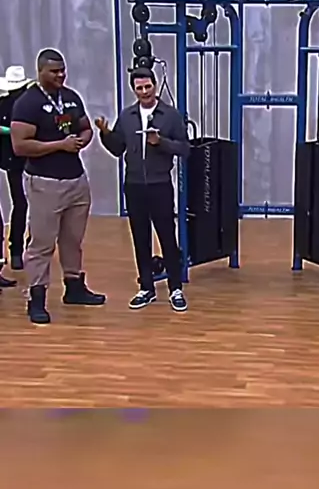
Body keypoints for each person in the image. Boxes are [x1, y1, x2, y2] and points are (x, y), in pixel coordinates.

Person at [10, 49, 105, 325]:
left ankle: (74, 287)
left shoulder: (71, 97)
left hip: (76, 180)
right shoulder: (27, 103)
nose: (61, 75)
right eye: (54, 71)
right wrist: (60, 145)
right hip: (45, 182)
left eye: (63, 70)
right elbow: (20, 146)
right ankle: (36, 297)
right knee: (41, 243)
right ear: (40, 71)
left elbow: (84, 126)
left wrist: (84, 138)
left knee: (72, 239)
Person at [95, 66, 190, 312]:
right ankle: (146, 287)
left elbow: (184, 149)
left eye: (148, 86)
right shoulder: (127, 116)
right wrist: (105, 134)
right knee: (140, 237)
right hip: (134, 185)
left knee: (167, 236)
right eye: (139, 88)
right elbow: (118, 149)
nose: (145, 91)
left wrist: (161, 142)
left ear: (155, 86)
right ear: (133, 90)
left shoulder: (170, 115)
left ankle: (175, 288)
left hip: (160, 185)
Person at [0, 66, 32, 276]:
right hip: (17, 158)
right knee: (23, 203)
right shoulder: (10, 104)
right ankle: (18, 250)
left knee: (23, 203)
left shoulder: (23, 104)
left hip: (23, 158)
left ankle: (21, 249)